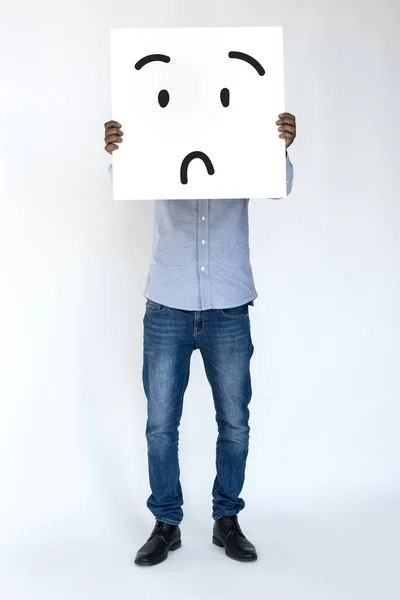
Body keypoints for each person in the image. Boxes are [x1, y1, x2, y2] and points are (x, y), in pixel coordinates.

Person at [104, 112, 296, 566]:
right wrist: (119, 149)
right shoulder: (161, 127)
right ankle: (166, 524)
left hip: (229, 303)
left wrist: (280, 146)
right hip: (167, 302)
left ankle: (226, 519)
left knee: (234, 423)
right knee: (160, 426)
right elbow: (124, 179)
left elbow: (279, 185)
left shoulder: (242, 134)